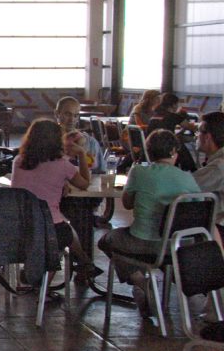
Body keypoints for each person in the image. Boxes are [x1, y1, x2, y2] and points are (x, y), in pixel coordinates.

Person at [98, 129, 200, 317]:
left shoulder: (139, 172)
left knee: (107, 240)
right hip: (173, 246)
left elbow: (127, 205)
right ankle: (147, 285)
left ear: (149, 152)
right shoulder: (188, 179)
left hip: (140, 241)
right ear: (173, 152)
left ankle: (139, 280)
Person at [11, 119, 102, 283]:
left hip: (21, 227)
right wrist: (81, 154)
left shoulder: (19, 161)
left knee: (66, 229)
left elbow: (38, 179)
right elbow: (84, 184)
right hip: (50, 229)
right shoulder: (62, 165)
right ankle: (46, 283)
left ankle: (85, 264)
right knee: (64, 232)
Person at [54, 96, 105, 174]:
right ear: (57, 114)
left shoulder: (90, 143)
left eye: (75, 115)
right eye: (67, 114)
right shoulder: (48, 141)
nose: (72, 119)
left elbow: (100, 172)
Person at [194, 112, 224, 193]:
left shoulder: (217, 168)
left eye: (198, 131)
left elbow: (186, 186)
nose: (196, 135)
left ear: (207, 137)